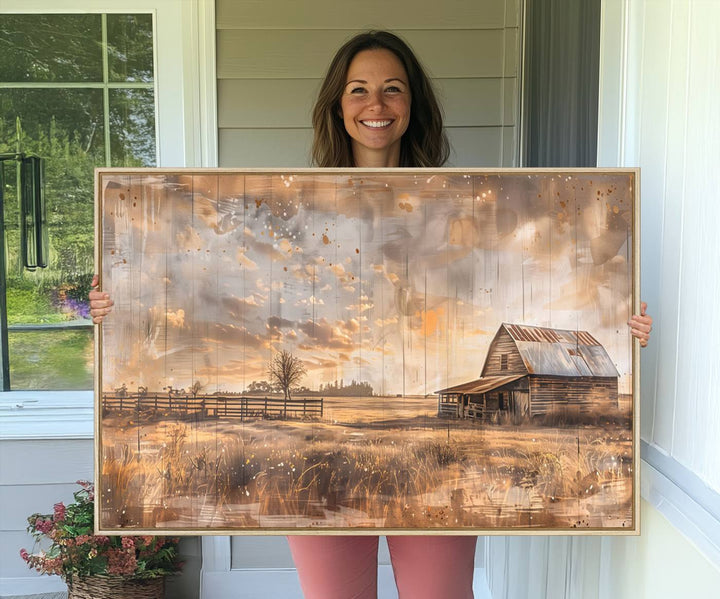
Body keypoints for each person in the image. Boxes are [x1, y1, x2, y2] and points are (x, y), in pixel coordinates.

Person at [89, 30, 653, 599]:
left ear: (413, 105)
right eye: (359, 90)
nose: (376, 105)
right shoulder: (298, 206)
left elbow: (537, 283)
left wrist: (622, 331)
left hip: (435, 478)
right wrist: (122, 305)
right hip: (319, 468)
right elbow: (206, 289)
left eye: (392, 89)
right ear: (338, 105)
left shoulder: (461, 203)